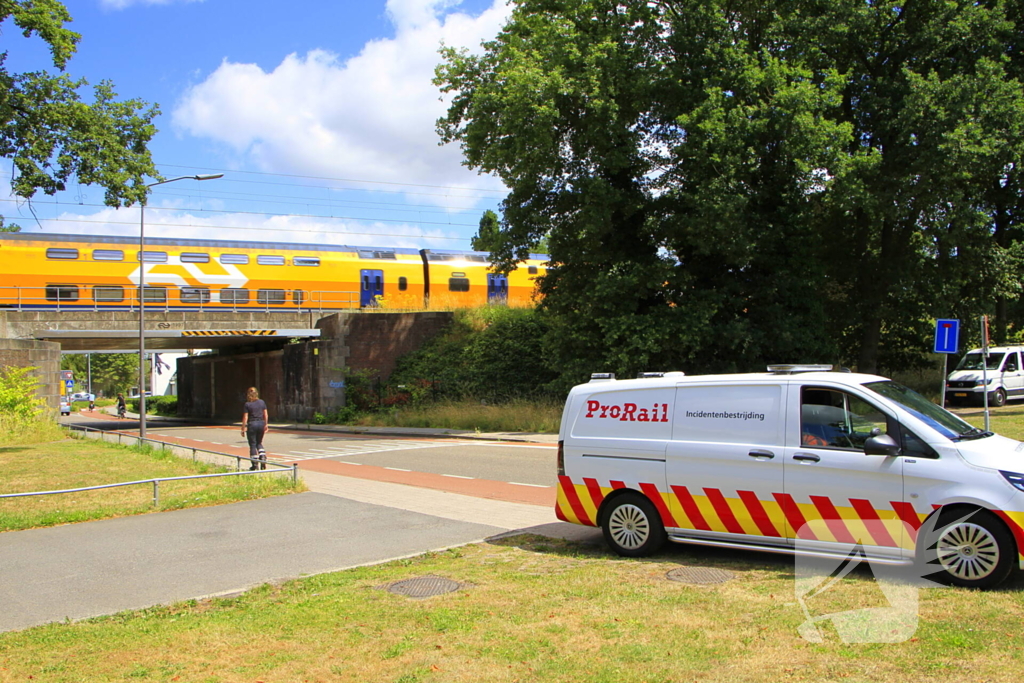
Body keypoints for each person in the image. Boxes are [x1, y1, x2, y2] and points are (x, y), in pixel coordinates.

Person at [241, 387, 269, 470]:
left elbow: (245, 417)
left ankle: (255, 464)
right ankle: (263, 457)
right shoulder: (262, 402)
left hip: (252, 424)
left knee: (253, 444)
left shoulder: (247, 404)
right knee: (259, 443)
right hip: (261, 423)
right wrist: (266, 424)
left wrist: (243, 428)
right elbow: (266, 414)